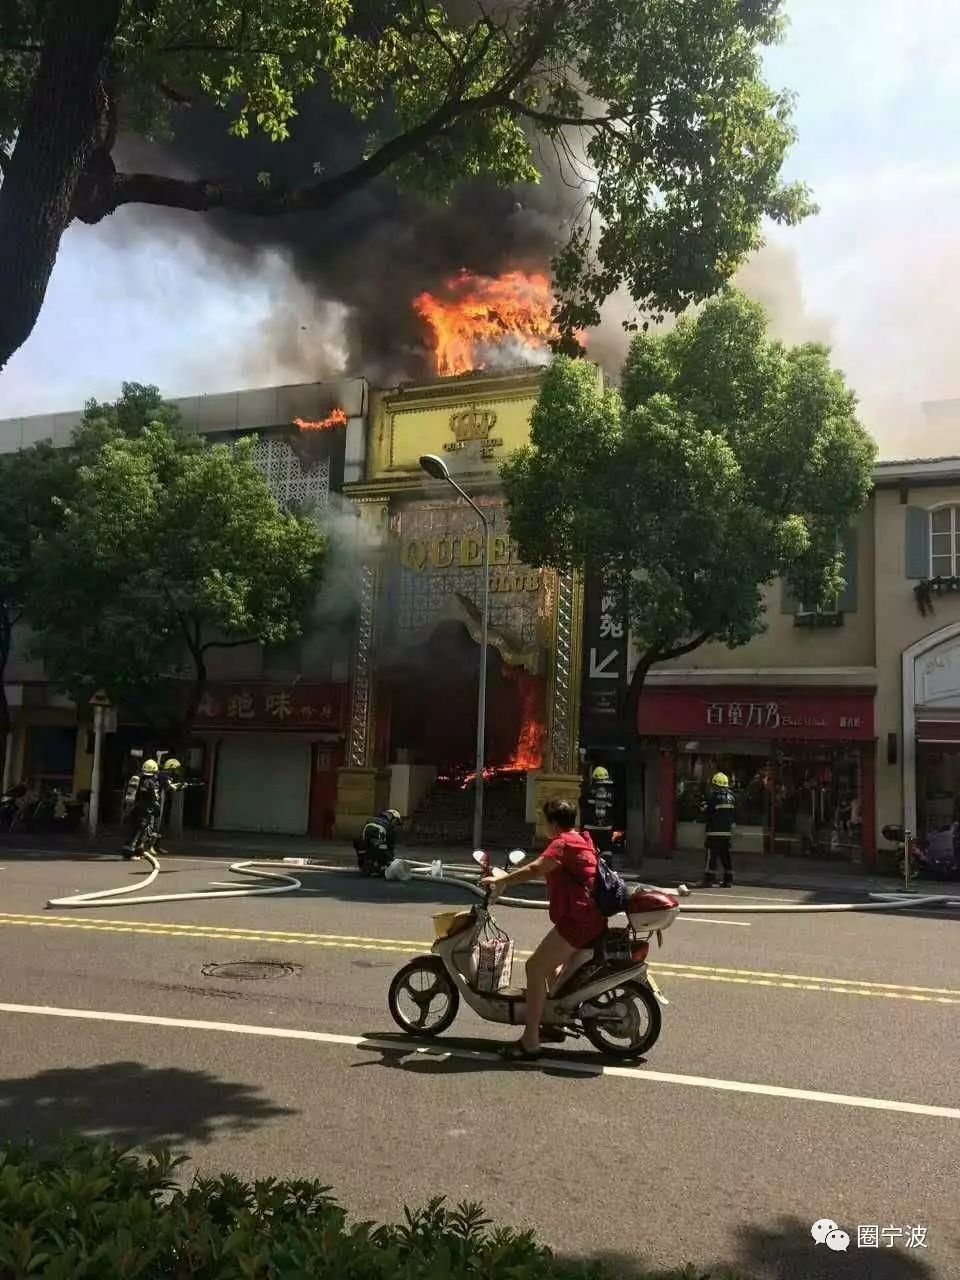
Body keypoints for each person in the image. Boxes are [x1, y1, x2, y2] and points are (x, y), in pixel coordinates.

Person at [480, 797, 606, 1062]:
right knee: (551, 967)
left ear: (552, 823)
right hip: (591, 918)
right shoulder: (582, 839)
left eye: (545, 820)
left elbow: (536, 868)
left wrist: (504, 880)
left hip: (577, 921)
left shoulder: (561, 844)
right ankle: (554, 1024)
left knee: (534, 968)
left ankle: (530, 1041)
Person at [701, 771, 736, 887]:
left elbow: (707, 811)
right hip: (727, 833)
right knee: (726, 857)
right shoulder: (731, 798)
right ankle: (728, 880)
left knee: (712, 857)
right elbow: (734, 814)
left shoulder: (713, 797)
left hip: (714, 832)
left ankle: (708, 879)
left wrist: (703, 805)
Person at [354, 808, 401, 875]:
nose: (395, 824)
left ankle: (364, 862)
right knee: (386, 850)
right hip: (376, 845)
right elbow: (391, 844)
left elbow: (361, 833)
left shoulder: (371, 819)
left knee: (362, 848)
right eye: (396, 821)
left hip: (361, 843)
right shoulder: (389, 826)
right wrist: (391, 859)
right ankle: (379, 865)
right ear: (392, 818)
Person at [581, 764, 616, 856]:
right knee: (606, 850)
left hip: (590, 827)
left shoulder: (587, 790)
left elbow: (582, 804)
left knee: (589, 850)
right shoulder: (612, 792)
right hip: (606, 826)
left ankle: (591, 868)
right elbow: (615, 809)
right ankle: (606, 867)